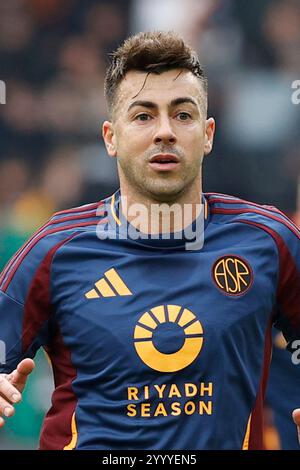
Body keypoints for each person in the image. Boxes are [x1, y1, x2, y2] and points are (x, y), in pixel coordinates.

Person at [0, 31, 299, 450]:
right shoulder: (53, 251)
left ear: (208, 133)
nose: (165, 132)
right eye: (143, 116)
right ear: (110, 137)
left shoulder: (270, 241)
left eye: (182, 115)